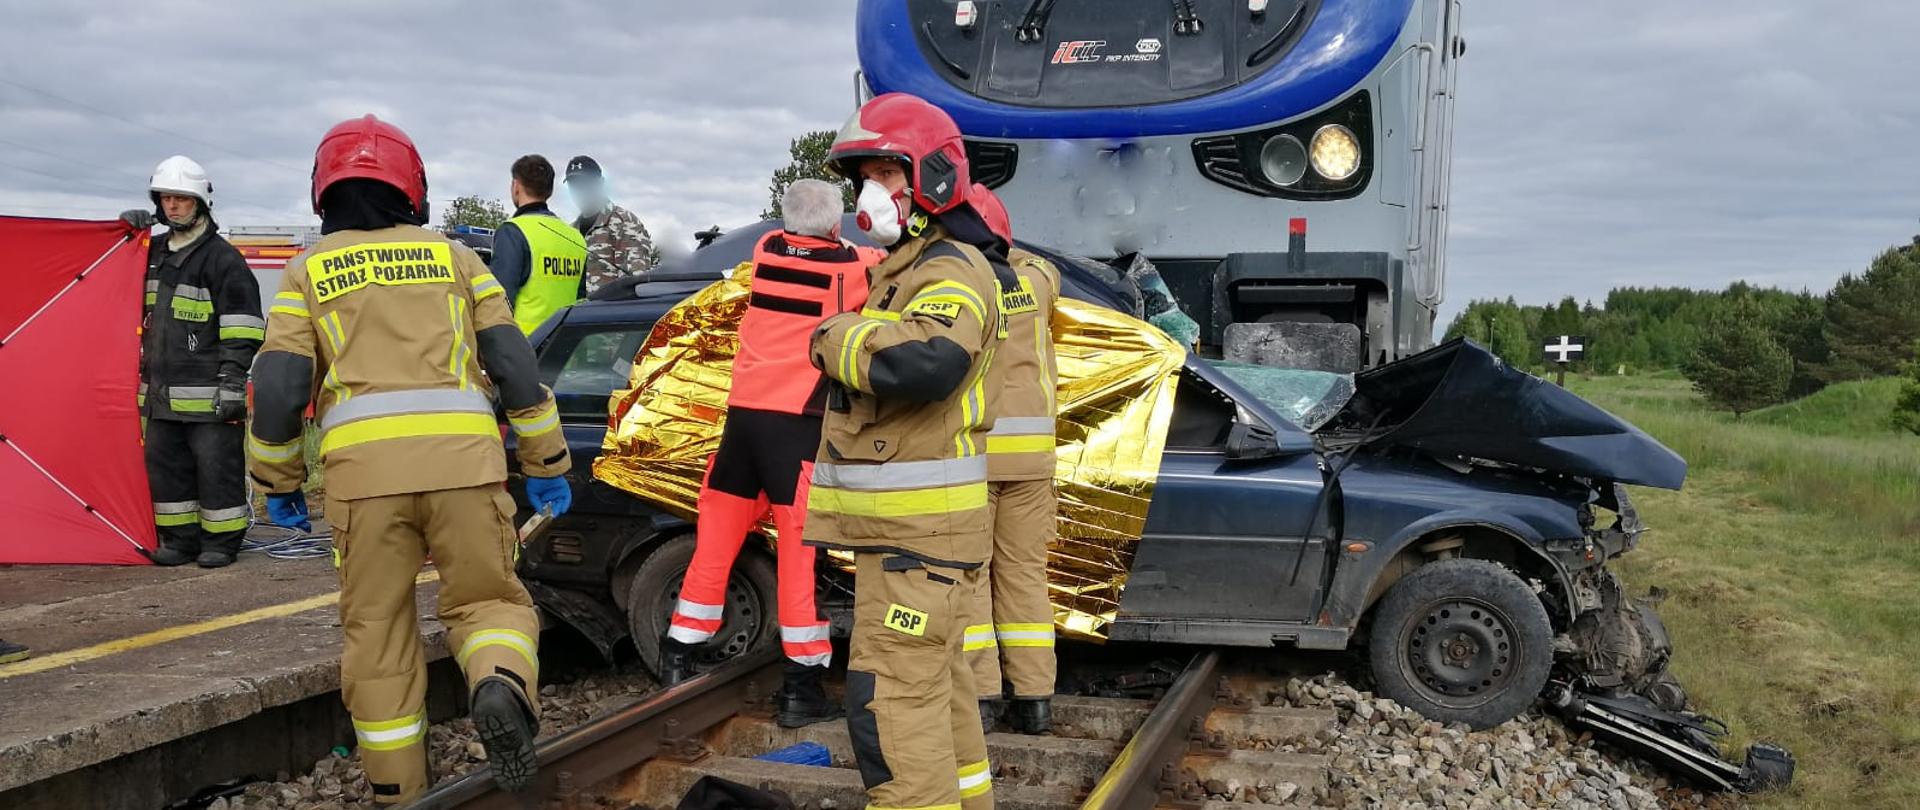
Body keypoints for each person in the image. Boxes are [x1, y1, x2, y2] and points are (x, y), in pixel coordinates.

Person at [249, 114, 573, 803]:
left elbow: (278, 385)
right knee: (489, 601)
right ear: (412, 187)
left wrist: (279, 479)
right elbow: (513, 364)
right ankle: (499, 682)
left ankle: (400, 791)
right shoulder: (456, 258)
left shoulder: (307, 271)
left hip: (365, 482)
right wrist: (546, 463)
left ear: (323, 189)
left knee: (377, 631)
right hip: (465, 468)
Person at [808, 92, 1014, 810]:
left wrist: (834, 337)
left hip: (917, 546)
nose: (872, 191)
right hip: (916, 543)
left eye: (887, 173)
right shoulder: (912, 266)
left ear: (932, 178)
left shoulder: (948, 269)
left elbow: (930, 361)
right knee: (937, 695)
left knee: (891, 706)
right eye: (864, 176)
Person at [659, 179, 878, 727]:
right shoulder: (850, 268)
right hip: (794, 431)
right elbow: (885, 266)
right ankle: (801, 687)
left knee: (715, 546)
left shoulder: (765, 251)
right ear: (835, 226)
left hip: (741, 426)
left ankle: (677, 657)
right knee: (799, 561)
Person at [118, 156, 262, 568]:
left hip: (210, 396)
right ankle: (180, 541)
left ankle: (222, 541)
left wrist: (232, 380)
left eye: (181, 198)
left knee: (217, 470)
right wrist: (126, 237)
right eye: (166, 198)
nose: (173, 206)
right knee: (166, 471)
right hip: (160, 396)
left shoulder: (222, 259)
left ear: (200, 202)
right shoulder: (150, 254)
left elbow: (244, 325)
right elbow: (114, 291)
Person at [962, 185, 1062, 735]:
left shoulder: (957, 284)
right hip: (1031, 460)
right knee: (1024, 575)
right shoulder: (1038, 280)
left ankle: (981, 696)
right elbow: (1043, 269)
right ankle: (1034, 698)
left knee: (971, 574)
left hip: (975, 455)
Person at [491, 154, 588, 334]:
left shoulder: (513, 231)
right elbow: (580, 299)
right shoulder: (575, 237)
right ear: (549, 191)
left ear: (516, 186)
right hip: (565, 342)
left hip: (524, 343)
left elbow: (499, 302)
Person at [563, 155, 657, 295]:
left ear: (600, 183)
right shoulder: (570, 232)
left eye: (586, 183)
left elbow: (635, 284)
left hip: (609, 308)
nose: (580, 190)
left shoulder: (625, 224)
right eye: (575, 185)